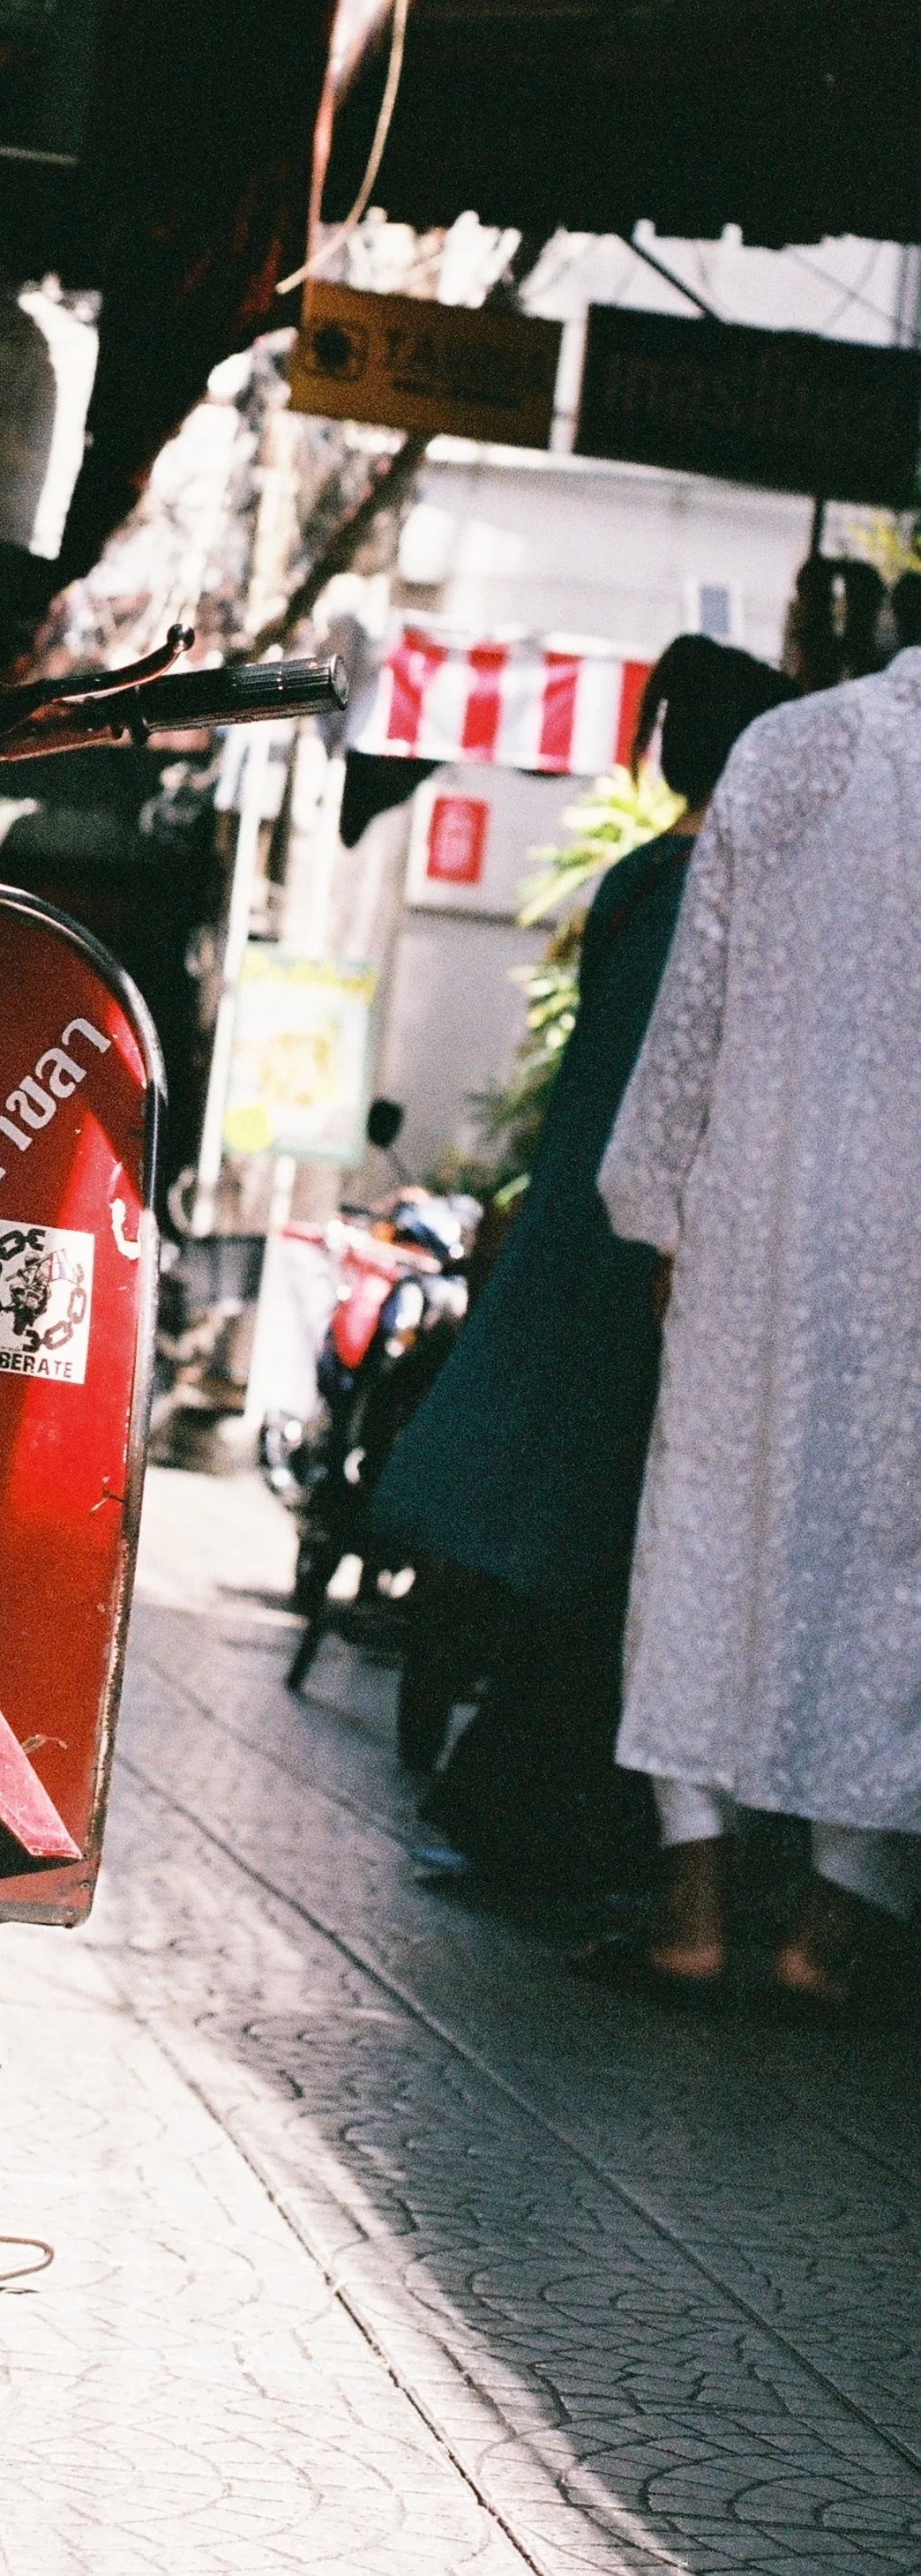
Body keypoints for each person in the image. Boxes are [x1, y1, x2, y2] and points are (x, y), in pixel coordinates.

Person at [371, 636, 794, 1896]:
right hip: (650, 1264)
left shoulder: (641, 880)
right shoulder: (723, 893)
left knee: (580, 1549)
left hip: (583, 1239)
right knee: (612, 1552)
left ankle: (525, 1811)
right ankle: (544, 1821)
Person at [592, 640, 921, 2013]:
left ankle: (694, 1902)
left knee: (713, 1529)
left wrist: (659, 1198)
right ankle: (833, 1927)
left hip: (755, 1211)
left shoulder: (785, 751)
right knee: (888, 1554)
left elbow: (695, 1008)